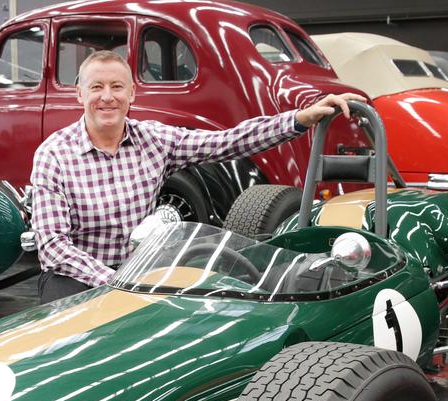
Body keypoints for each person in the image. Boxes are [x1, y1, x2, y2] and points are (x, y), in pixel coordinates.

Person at [30, 50, 365, 302]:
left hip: (142, 270)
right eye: (96, 87)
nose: (107, 97)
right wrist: (115, 281)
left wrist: (299, 119)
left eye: (117, 86)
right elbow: (53, 247)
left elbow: (229, 141)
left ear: (132, 94)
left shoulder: (155, 140)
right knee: (74, 334)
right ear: (79, 94)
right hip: (78, 277)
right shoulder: (53, 155)